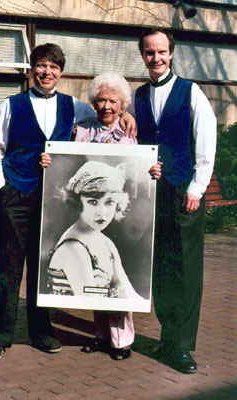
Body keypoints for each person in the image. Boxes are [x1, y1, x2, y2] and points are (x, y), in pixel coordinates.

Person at [0, 43, 136, 363]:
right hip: (17, 196)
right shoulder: (11, 106)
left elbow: (105, 114)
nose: (46, 72)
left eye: (53, 67)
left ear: (60, 72)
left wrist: (127, 115)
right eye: (41, 65)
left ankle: (41, 332)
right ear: (31, 69)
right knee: (7, 268)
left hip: (51, 201)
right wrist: (3, 187)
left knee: (42, 269)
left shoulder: (74, 107)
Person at [127, 28, 217, 373]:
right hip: (153, 194)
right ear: (143, 56)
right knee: (162, 267)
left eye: (162, 52)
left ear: (171, 53)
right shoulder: (137, 96)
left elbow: (204, 145)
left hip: (184, 192)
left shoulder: (190, 92)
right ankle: (167, 338)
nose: (156, 58)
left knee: (186, 270)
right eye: (150, 53)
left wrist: (196, 188)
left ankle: (181, 346)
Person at [58, 72, 159, 360]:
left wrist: (152, 170)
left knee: (116, 275)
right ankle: (101, 335)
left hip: (118, 216)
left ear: (122, 105)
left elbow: (139, 172)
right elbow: (69, 161)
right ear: (93, 103)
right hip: (91, 215)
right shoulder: (82, 131)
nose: (106, 106)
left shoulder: (130, 136)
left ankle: (121, 340)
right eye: (100, 100)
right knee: (96, 274)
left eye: (113, 101)